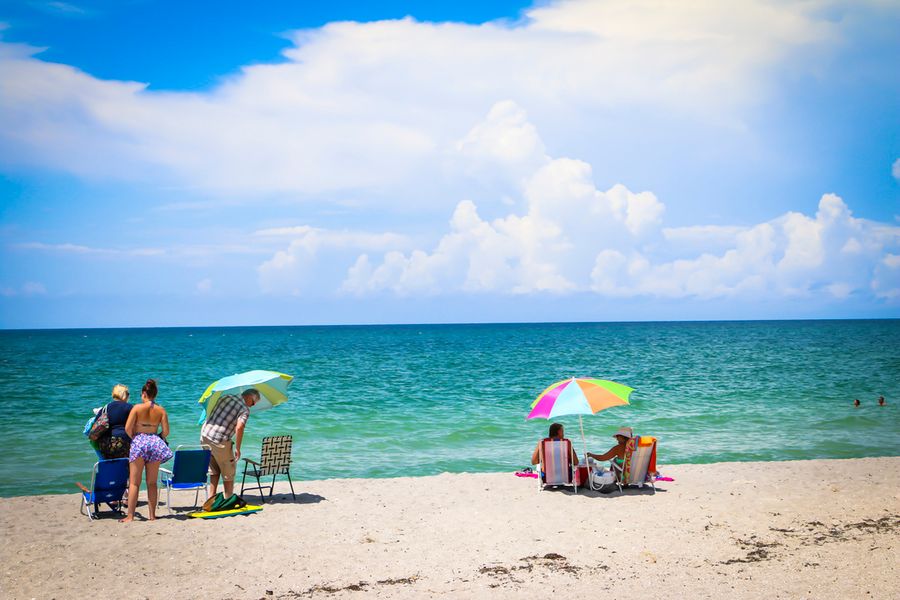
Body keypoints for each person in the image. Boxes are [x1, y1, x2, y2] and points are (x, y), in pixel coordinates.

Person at [120, 379, 172, 523]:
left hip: (139, 442)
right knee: (152, 483)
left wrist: (136, 438)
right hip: (154, 442)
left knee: (135, 483)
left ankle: (130, 516)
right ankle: (152, 516)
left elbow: (127, 429)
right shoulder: (161, 410)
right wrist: (157, 437)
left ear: (144, 394)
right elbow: (166, 432)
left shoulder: (136, 408)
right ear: (155, 394)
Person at [201, 388, 260, 498]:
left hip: (205, 435)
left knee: (214, 469)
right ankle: (228, 498)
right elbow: (240, 427)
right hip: (219, 440)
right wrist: (237, 448)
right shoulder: (244, 409)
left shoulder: (226, 397)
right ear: (249, 397)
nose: (252, 406)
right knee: (228, 471)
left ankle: (211, 498)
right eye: (253, 403)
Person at [97, 384, 133, 459]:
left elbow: (96, 425)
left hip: (105, 445)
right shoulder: (129, 407)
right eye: (128, 394)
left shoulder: (105, 408)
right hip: (122, 443)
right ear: (124, 395)